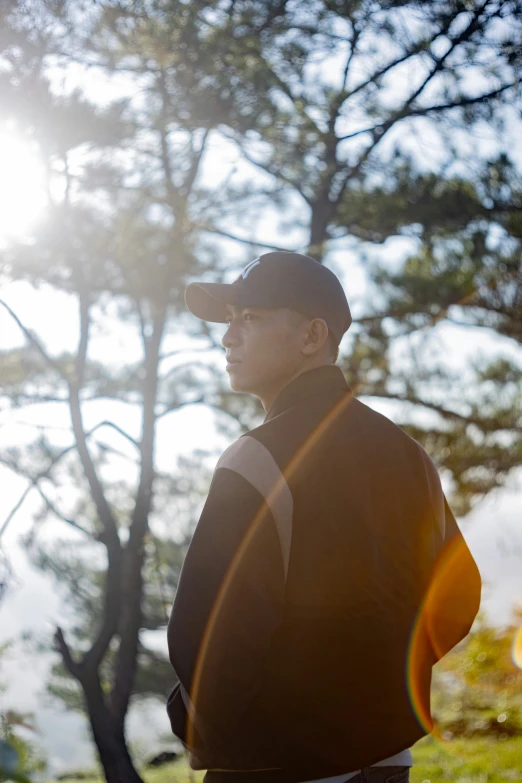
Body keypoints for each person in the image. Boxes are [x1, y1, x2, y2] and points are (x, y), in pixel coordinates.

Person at [166, 251, 482, 783]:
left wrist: (211, 730)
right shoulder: (407, 454)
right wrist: (379, 692)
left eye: (251, 319)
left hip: (274, 766)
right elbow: (457, 598)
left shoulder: (257, 458)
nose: (228, 339)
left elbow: (208, 635)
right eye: (229, 322)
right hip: (385, 764)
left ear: (313, 337)